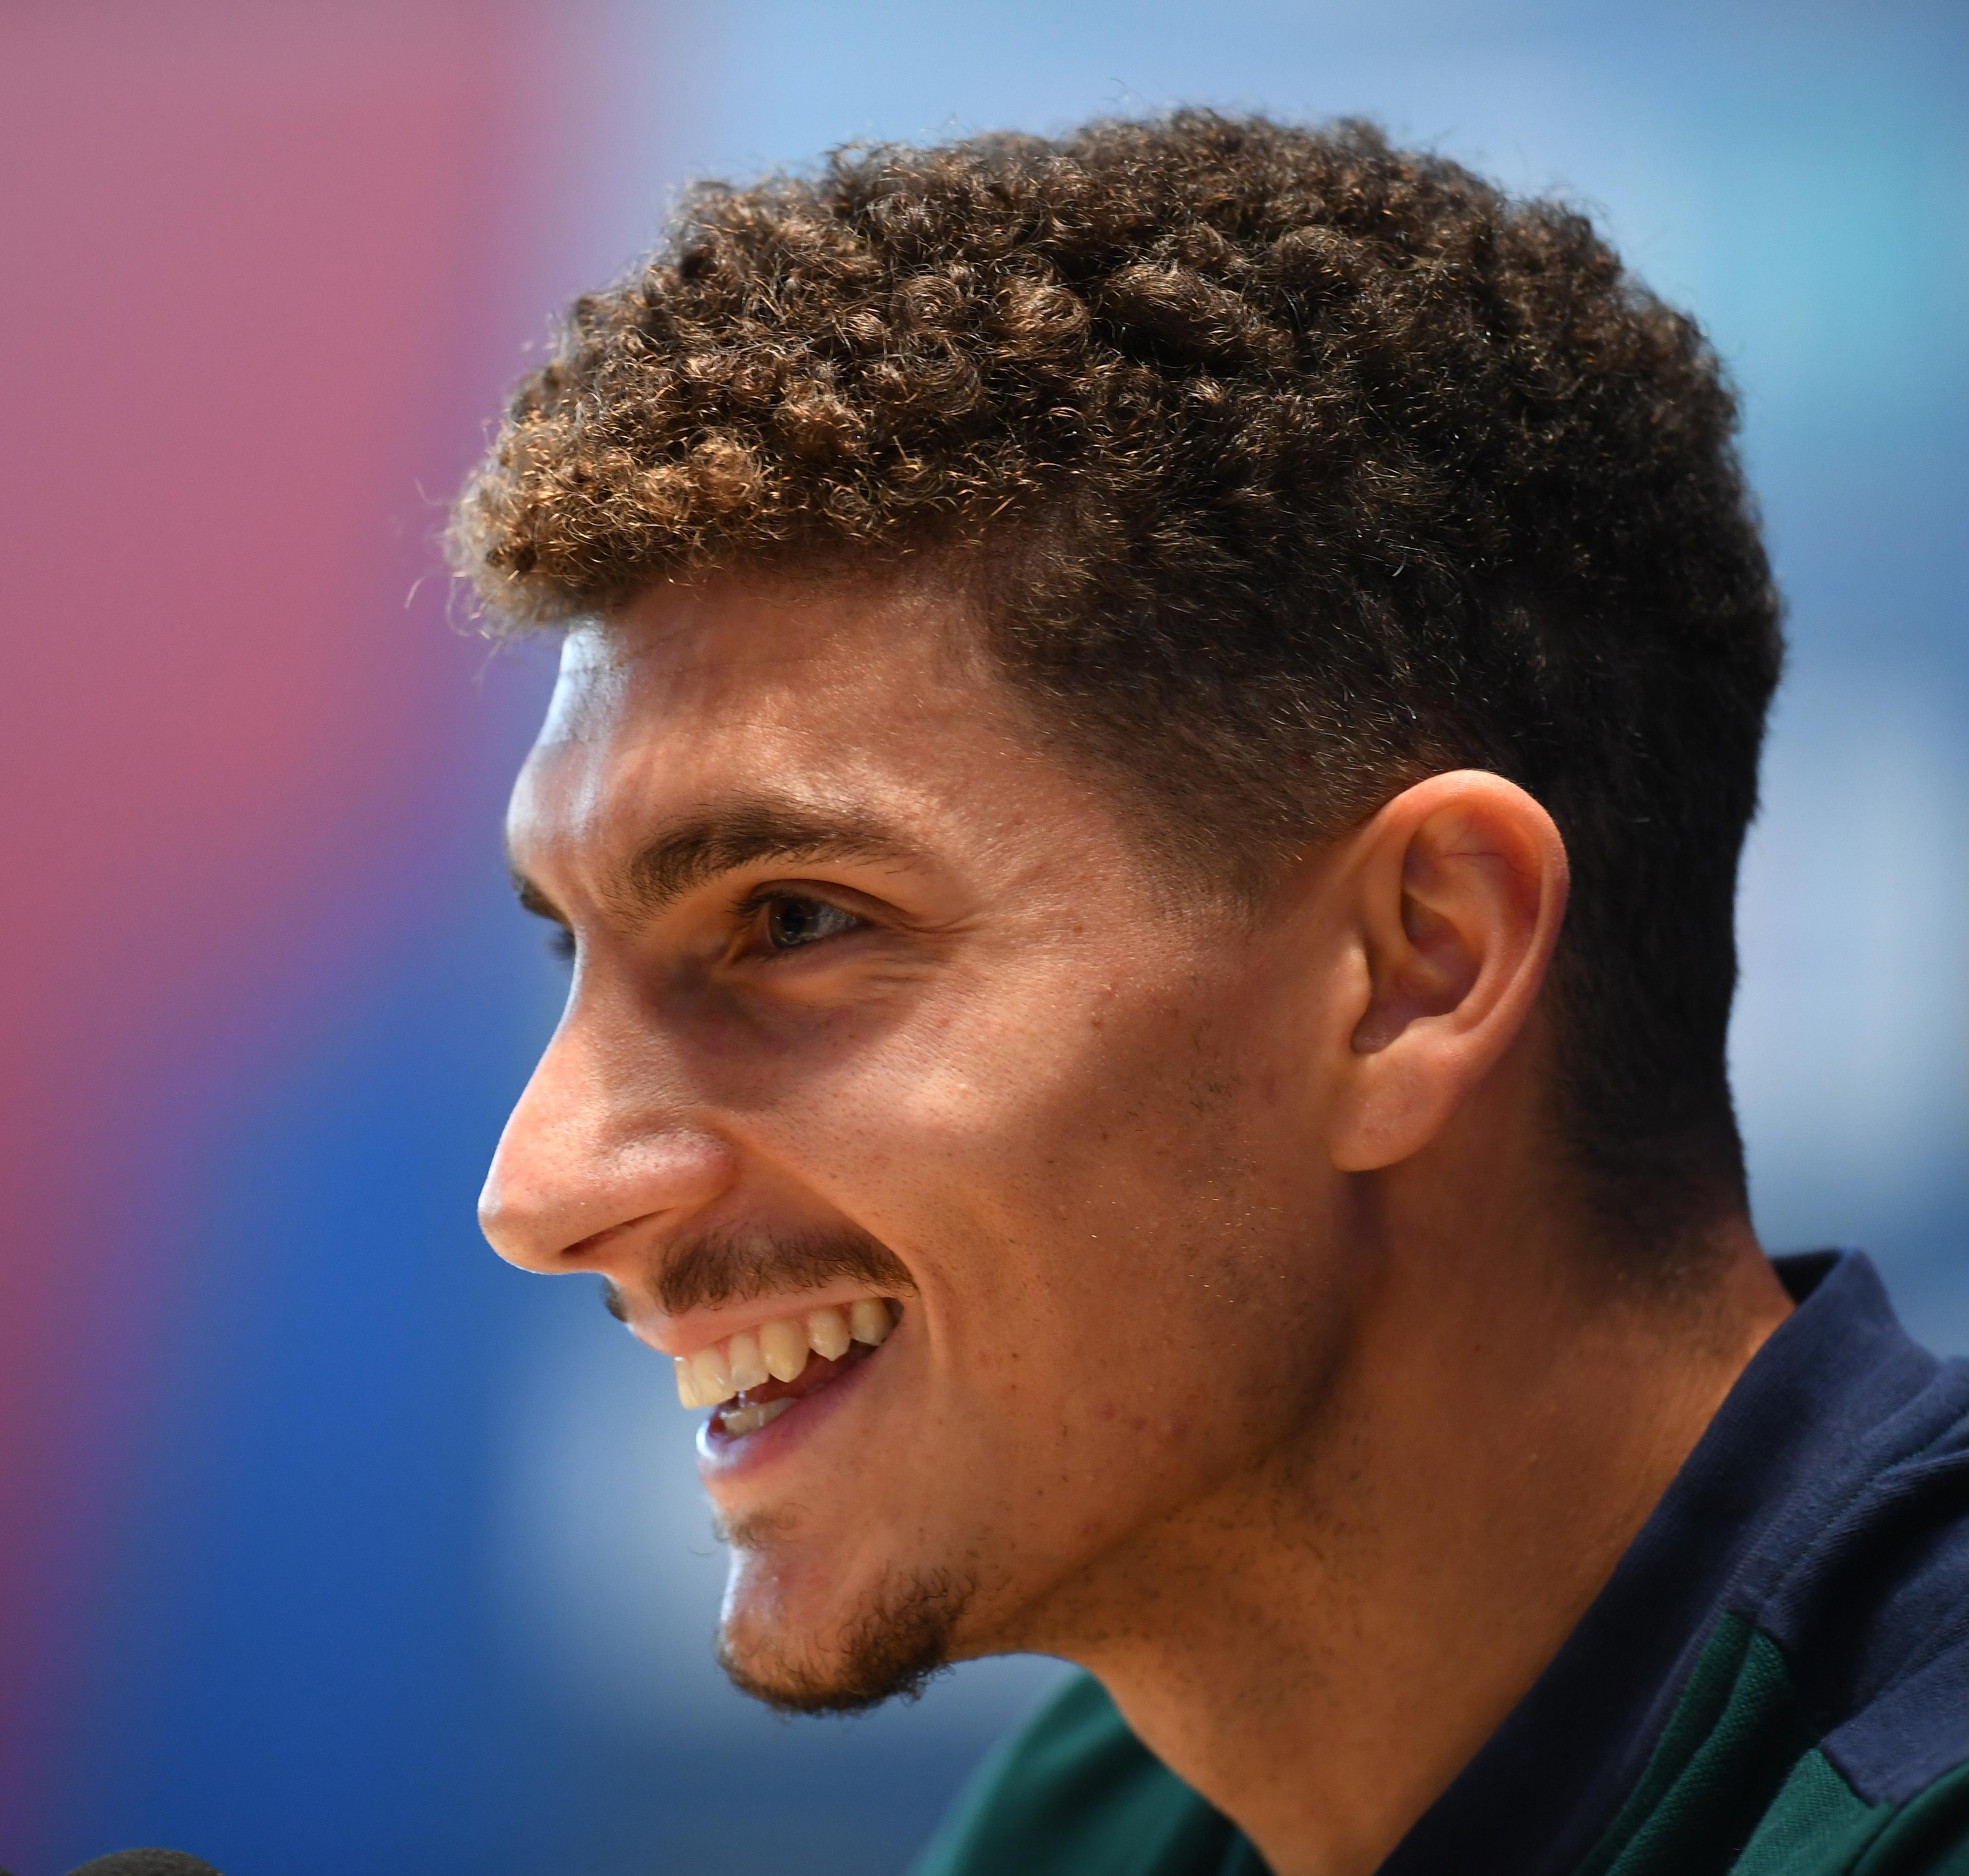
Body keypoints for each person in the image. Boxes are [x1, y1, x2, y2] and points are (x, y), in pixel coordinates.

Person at [451, 114, 1969, 1875]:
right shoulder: (1092, 1819)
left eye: (791, 920)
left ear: (1418, 968)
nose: (540, 1192)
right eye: (573, 949)